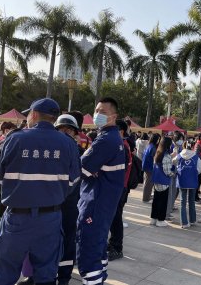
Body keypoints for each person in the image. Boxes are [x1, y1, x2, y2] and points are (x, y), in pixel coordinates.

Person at [0, 98, 80, 285]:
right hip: (51, 218)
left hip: (17, 218)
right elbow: (73, 181)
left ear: (34, 114)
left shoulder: (14, 138)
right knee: (46, 274)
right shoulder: (68, 144)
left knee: (5, 273)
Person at [76, 97, 125, 285]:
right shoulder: (113, 138)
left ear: (114, 116)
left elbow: (82, 169)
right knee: (98, 249)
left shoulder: (106, 140)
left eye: (103, 112)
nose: (97, 115)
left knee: (89, 254)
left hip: (95, 203)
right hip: (104, 203)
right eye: (96, 110)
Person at [54, 114, 82, 285]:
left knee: (67, 241)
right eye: (61, 129)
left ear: (75, 134)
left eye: (69, 130)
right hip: (49, 205)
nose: (64, 133)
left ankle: (64, 277)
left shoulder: (77, 152)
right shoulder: (49, 152)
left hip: (68, 205)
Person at [107, 119, 133, 261]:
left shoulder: (122, 146)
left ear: (120, 131)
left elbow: (117, 171)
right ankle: (112, 244)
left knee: (115, 218)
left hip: (118, 187)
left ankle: (117, 248)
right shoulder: (122, 145)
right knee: (113, 217)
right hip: (118, 187)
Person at [175, 139, 201, 228]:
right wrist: (193, 172)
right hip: (193, 181)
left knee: (182, 202)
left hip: (182, 180)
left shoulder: (180, 155)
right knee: (191, 201)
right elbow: (200, 168)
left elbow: (173, 162)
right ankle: (193, 220)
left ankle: (184, 222)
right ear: (193, 146)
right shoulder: (196, 157)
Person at [150, 137, 175, 227]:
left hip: (156, 180)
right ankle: (160, 220)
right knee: (163, 201)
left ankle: (153, 218)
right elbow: (167, 171)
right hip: (164, 181)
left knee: (156, 200)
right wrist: (173, 174)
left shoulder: (158, 153)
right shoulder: (167, 156)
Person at [141, 133, 160, 203]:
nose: (159, 140)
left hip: (146, 166)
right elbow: (155, 158)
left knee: (147, 182)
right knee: (148, 183)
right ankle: (146, 198)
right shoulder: (153, 148)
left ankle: (147, 196)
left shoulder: (149, 146)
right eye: (158, 139)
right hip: (149, 167)